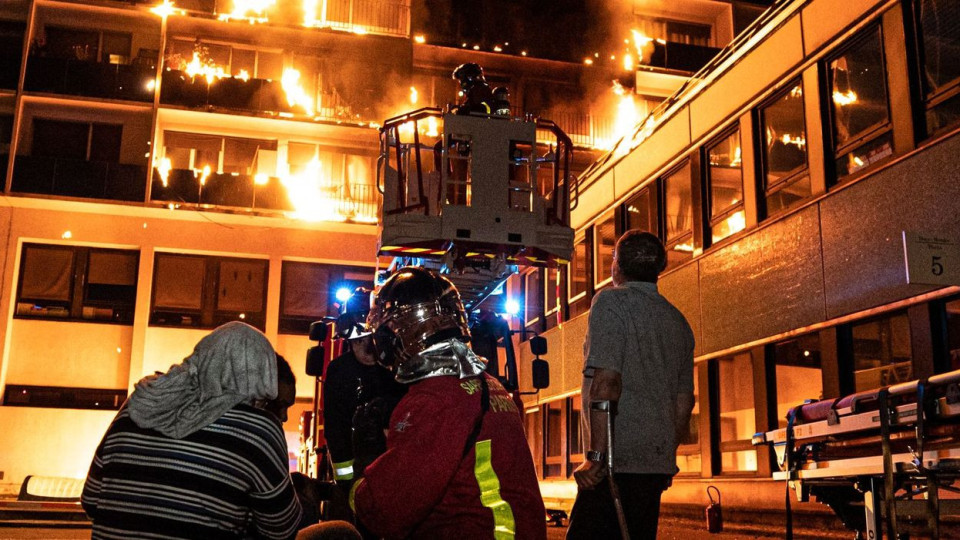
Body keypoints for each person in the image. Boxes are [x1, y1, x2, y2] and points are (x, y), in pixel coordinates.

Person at [348, 267, 547, 540]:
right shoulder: (487, 384)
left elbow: (386, 512)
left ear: (397, 334)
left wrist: (364, 464)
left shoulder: (432, 400)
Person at [81, 321, 303, 540]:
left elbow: (91, 500)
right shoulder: (259, 429)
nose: (282, 415)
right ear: (264, 375)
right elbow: (281, 530)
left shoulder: (139, 404)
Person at [566, 230, 696, 540]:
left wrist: (596, 458)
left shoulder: (611, 303)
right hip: (652, 466)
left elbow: (607, 382)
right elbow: (684, 402)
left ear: (617, 265)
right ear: (658, 269)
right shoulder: (677, 321)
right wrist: (665, 457)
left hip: (613, 466)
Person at [322, 288, 406, 490]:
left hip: (393, 469)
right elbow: (335, 427)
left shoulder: (397, 369)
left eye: (371, 338)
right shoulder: (339, 371)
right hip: (355, 471)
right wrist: (346, 484)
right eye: (359, 340)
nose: (367, 346)